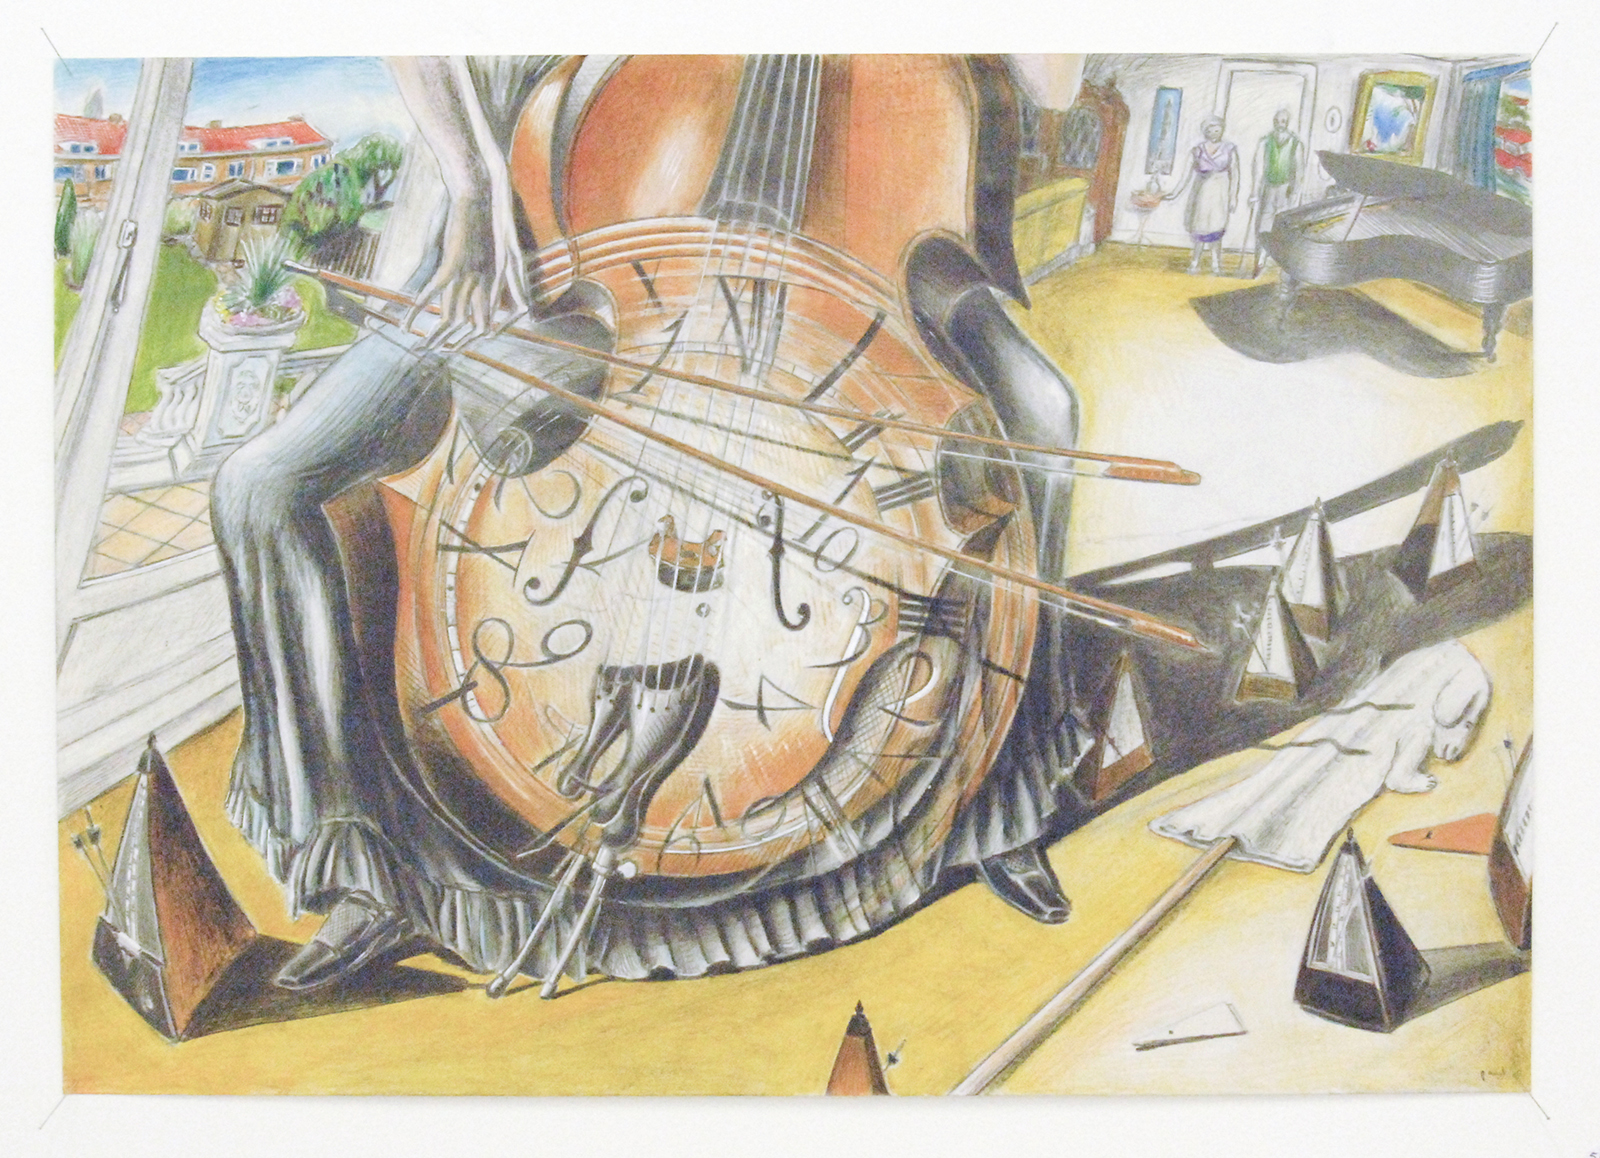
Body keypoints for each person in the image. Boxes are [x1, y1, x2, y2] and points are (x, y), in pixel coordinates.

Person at [212, 55, 1087, 991]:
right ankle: (365, 860)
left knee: (1041, 415)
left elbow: (1056, 85)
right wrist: (473, 183)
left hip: (858, 255)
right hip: (530, 235)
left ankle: (1000, 805)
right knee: (263, 488)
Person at [1162, 114, 1239, 275]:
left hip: (1220, 193)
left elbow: (1236, 175)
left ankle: (1216, 265)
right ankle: (1195, 262)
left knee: (1217, 228)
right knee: (1200, 228)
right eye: (1211, 130)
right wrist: (1175, 193)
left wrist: (1233, 197)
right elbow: (1186, 174)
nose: (1215, 133)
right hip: (1202, 192)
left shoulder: (1230, 149)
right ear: (1205, 131)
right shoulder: (1198, 150)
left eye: (1218, 129)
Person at [1249, 107, 1303, 277]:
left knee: (1284, 228)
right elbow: (1258, 168)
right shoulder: (1265, 141)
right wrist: (1254, 192)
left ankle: (1283, 266)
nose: (1280, 124)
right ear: (1274, 122)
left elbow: (1298, 170)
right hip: (1269, 188)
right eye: (1277, 121)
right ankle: (1260, 261)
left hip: (1286, 190)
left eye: (1283, 121)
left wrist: (1295, 192)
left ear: (1287, 123)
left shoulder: (1295, 143)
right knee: (1264, 226)